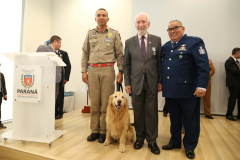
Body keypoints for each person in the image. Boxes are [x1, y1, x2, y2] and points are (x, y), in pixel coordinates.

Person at [161, 20, 210, 159]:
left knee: (190, 120)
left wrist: (201, 86)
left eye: (175, 28)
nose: (172, 31)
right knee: (174, 119)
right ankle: (175, 141)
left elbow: (203, 66)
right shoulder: (166, 47)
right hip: (171, 91)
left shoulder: (194, 43)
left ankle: (189, 146)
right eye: (169, 29)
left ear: (182, 28)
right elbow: (163, 67)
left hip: (189, 91)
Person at [81, 8, 124, 143]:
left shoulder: (114, 34)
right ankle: (94, 130)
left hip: (108, 70)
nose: (101, 17)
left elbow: (119, 54)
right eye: (98, 15)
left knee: (106, 103)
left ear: (108, 18)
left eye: (103, 15)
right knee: (94, 103)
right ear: (95, 19)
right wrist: (83, 71)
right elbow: (85, 53)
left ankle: (104, 131)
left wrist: (121, 71)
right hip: (92, 71)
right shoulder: (90, 34)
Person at [124, 12, 162, 155]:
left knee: (152, 112)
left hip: (152, 82)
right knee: (138, 112)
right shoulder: (129, 42)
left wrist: (159, 81)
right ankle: (139, 138)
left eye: (143, 22)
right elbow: (127, 64)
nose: (141, 25)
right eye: (138, 22)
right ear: (135, 25)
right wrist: (127, 82)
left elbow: (159, 63)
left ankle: (152, 140)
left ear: (148, 24)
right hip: (135, 82)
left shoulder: (157, 40)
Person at [36, 35, 65, 101]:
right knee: (46, 102)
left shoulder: (56, 52)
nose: (61, 45)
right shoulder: (43, 48)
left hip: (56, 81)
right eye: (60, 42)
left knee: (52, 103)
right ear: (55, 42)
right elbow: (38, 61)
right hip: (47, 81)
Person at [55, 48, 71, 119]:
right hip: (51, 79)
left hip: (60, 78)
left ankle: (59, 112)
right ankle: (53, 112)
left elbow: (68, 66)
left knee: (60, 96)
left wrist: (66, 78)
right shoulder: (49, 53)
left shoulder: (63, 53)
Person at [225, 47, 240, 121]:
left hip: (238, 84)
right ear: (237, 53)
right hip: (233, 84)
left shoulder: (237, 62)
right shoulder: (229, 61)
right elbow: (235, 71)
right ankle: (229, 114)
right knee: (233, 99)